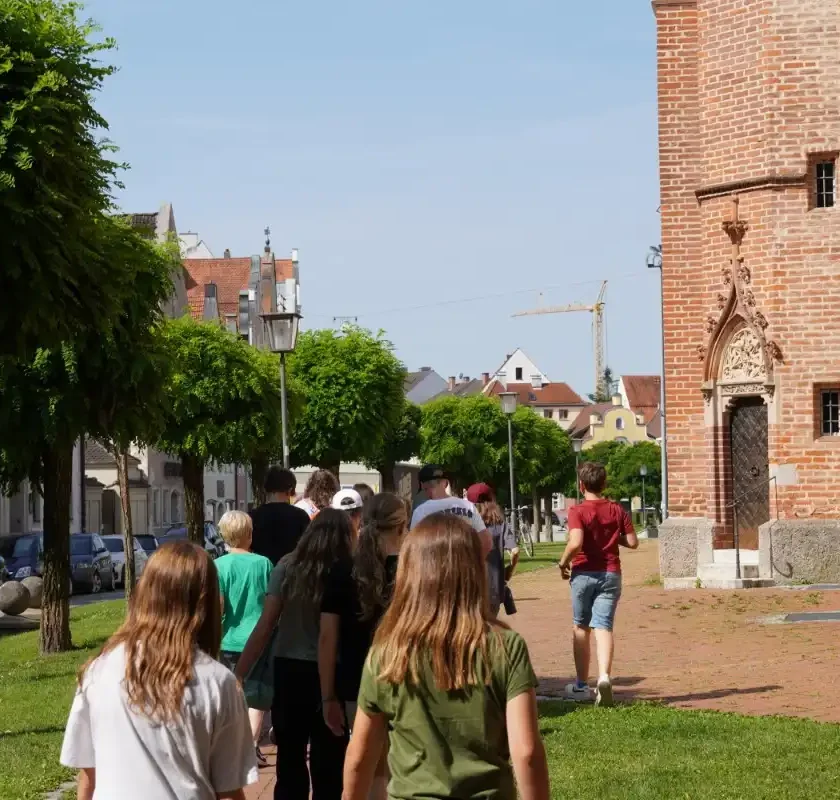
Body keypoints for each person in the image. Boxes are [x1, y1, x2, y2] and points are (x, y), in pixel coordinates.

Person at [342, 513, 549, 800]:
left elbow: (360, 755)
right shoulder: (505, 646)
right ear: (474, 570)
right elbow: (526, 752)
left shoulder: (388, 652)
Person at [60, 540, 257, 800]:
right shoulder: (218, 683)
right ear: (207, 603)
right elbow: (229, 791)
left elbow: (89, 777)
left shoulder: (98, 671)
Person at [237, 509, 353, 800]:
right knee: (329, 759)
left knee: (290, 756)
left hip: (288, 668)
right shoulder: (346, 570)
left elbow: (266, 623)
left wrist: (240, 671)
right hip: (333, 671)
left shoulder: (288, 566)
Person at [319, 493, 407, 800]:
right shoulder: (413, 571)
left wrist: (327, 694)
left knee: (368, 765)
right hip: (407, 679)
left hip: (357, 681)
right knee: (404, 764)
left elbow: (327, 637)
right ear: (401, 527)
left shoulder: (341, 570)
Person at [558, 461, 638, 707]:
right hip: (611, 573)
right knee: (604, 626)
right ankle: (604, 677)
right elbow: (633, 542)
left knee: (581, 627)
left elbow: (576, 542)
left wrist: (562, 563)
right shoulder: (617, 510)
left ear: (581, 485)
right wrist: (614, 538)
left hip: (583, 573)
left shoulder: (577, 511)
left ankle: (582, 685)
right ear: (604, 484)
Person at [215, 510, 273, 764]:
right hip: (259, 638)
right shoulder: (264, 564)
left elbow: (218, 606)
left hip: (228, 638)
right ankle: (251, 745)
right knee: (257, 695)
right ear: (249, 535)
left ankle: (233, 747)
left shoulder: (217, 566)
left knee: (232, 694)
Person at [409, 464, 491, 556]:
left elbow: (413, 547)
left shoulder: (421, 511)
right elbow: (486, 541)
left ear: (423, 485)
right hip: (465, 567)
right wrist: (474, 563)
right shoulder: (468, 506)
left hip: (433, 567)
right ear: (445, 483)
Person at [467, 483, 520, 617]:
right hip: (493, 587)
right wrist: (509, 571)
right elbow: (515, 551)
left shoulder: (465, 523)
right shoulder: (499, 523)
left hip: (469, 587)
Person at [250, 466, 310, 566]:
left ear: (266, 488)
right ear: (290, 489)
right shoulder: (301, 516)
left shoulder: (254, 516)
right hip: (292, 573)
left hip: (262, 573)